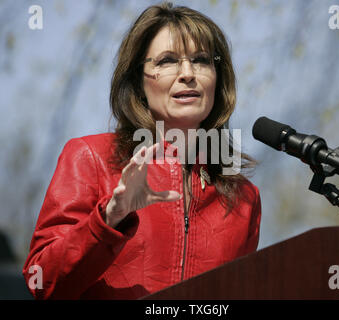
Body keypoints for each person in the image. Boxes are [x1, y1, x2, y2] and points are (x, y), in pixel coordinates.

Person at [23, 2, 261, 300]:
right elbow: (41, 282)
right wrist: (109, 219)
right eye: (167, 61)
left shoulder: (243, 197)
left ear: (218, 78)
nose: (188, 73)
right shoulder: (89, 157)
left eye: (201, 60)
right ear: (138, 81)